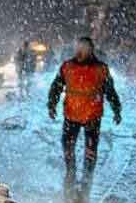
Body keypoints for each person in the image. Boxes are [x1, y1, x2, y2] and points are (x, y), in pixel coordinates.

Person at [48, 37, 122, 173]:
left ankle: (87, 178)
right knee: (67, 147)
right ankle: (71, 171)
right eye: (78, 48)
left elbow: (110, 91)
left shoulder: (101, 69)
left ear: (91, 50)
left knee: (91, 151)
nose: (79, 51)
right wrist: (52, 105)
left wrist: (117, 110)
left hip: (92, 118)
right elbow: (56, 87)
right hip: (71, 115)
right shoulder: (67, 67)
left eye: (83, 48)